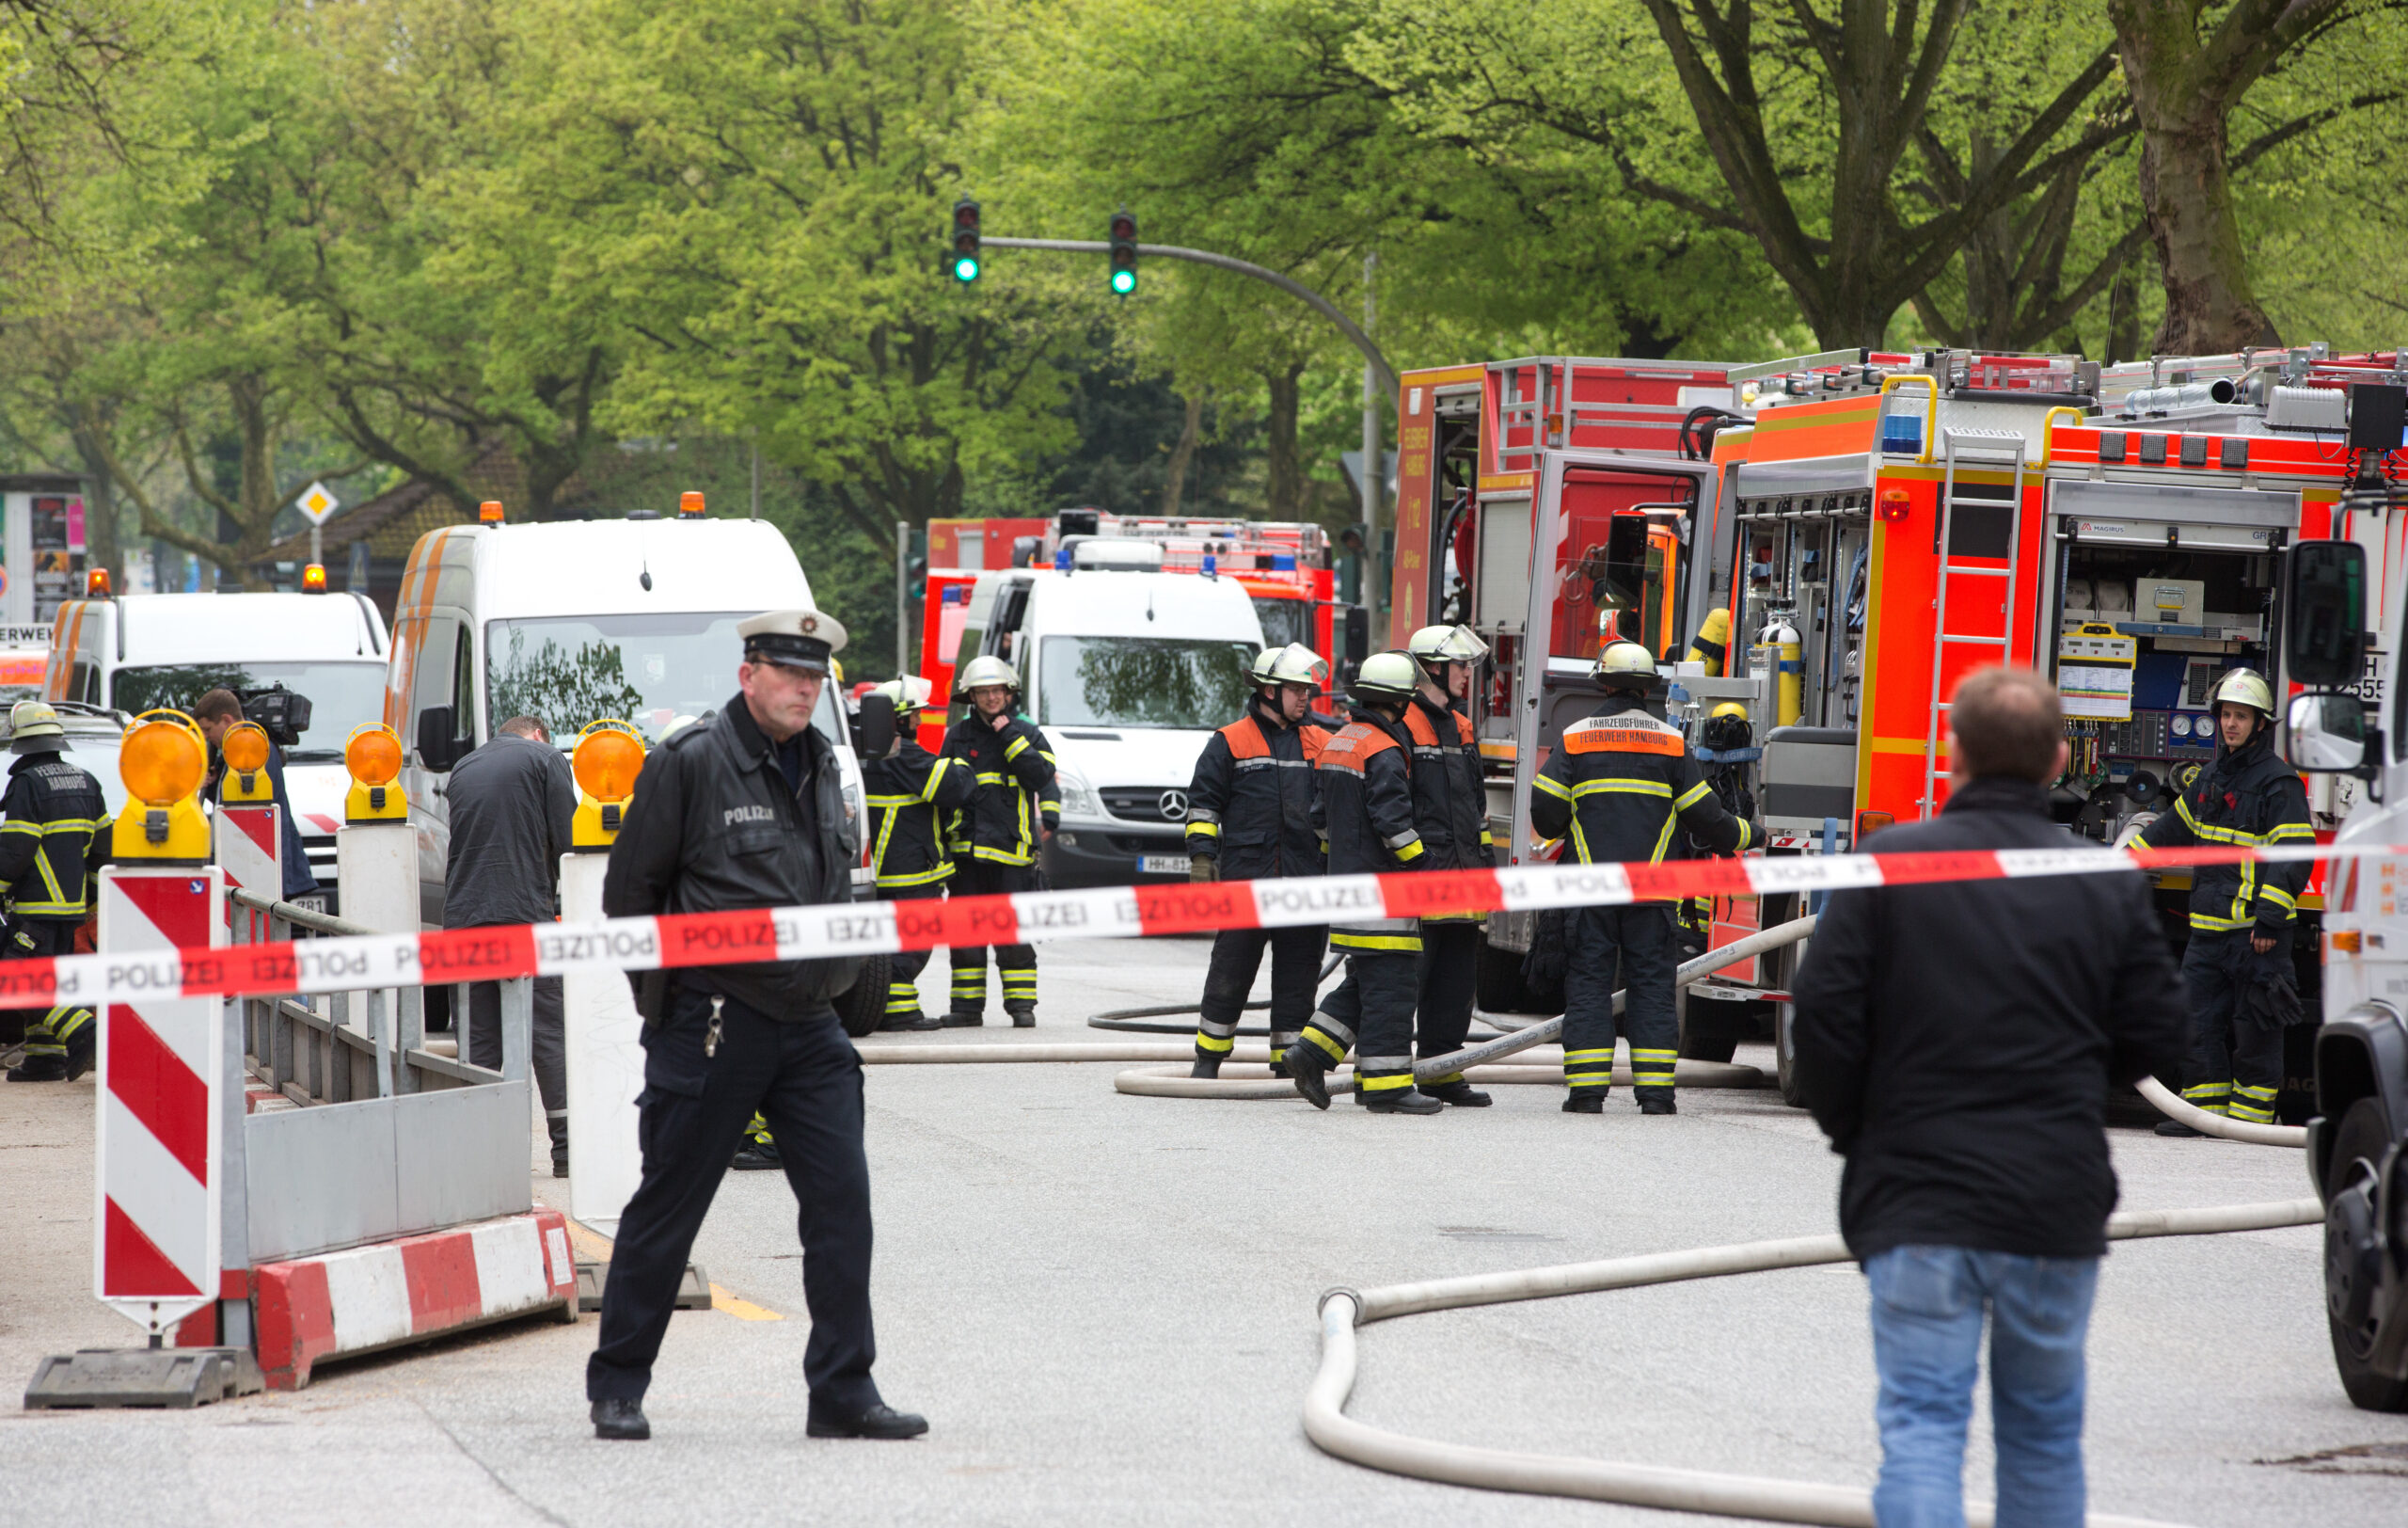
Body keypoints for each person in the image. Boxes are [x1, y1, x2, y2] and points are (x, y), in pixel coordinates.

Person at [1791, 665, 2185, 1527]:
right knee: (2044, 1434)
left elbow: (1822, 1021)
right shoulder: (2105, 880)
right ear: (2054, 761)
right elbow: (2160, 1033)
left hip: (1916, 1196)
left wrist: (1860, 1132)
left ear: (1953, 752)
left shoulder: (1887, 865)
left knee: (1924, 1426)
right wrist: (2076, 1086)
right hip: (2052, 1200)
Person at [589, 606, 924, 1442]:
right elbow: (630, 898)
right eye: (790, 673)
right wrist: (670, 1008)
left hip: (810, 1026)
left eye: (816, 677)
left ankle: (843, 1391)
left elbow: (844, 889)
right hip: (714, 1022)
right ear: (749, 676)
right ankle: (618, 1385)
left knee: (844, 1211)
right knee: (670, 1208)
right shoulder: (693, 763)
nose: (806, 688)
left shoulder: (825, 764)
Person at [1529, 641, 1752, 1116]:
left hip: (1591, 890)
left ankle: (1587, 1094)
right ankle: (1655, 1095)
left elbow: (1546, 816)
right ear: (1649, 688)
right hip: (1652, 894)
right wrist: (1751, 833)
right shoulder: (1670, 743)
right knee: (1652, 985)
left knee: (1589, 982)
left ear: (1604, 683)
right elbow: (1706, 819)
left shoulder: (1576, 737)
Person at [2135, 667, 2314, 1133]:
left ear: (2261, 723)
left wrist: (2271, 923)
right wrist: (2119, 863)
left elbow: (2294, 858)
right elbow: (2169, 830)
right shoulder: (2211, 777)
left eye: (2241, 716)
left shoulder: (2280, 783)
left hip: (2255, 937)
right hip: (2208, 933)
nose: (2231, 724)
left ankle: (2251, 1125)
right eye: (2226, 715)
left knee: (2255, 1030)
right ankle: (2204, 1118)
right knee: (2195, 1024)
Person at [1285, 651, 1443, 1116]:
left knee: (1367, 981)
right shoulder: (1384, 750)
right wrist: (1427, 870)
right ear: (1397, 703)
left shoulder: (1340, 741)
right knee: (1393, 987)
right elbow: (1395, 828)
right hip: (1383, 894)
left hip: (1347, 890)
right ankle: (1386, 1086)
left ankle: (1309, 1054)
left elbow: (1319, 821)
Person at [1183, 644, 1331, 1079]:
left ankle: (1289, 1064)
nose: (1305, 697)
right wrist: (1201, 860)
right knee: (1231, 971)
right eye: (1296, 689)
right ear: (1268, 691)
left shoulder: (1321, 741)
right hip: (1247, 881)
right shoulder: (1230, 741)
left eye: (1308, 689)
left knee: (1299, 978)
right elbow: (1203, 807)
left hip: (1306, 881)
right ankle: (1208, 1060)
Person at [443, 714, 576, 1176]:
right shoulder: (546, 757)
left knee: (479, 1039)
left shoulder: (464, 766)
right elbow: (570, 841)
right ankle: (566, 1152)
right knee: (547, 1031)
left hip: (463, 918)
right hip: (522, 913)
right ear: (538, 734)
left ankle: (484, 1155)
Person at [1399, 624, 1497, 1106]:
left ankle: (1442, 1070)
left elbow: (1475, 806)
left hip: (1462, 880)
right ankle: (1387, 1072)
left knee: (1456, 983)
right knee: (1406, 980)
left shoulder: (1461, 726)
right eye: (1459, 665)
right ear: (1430, 667)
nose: (1466, 674)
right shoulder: (1403, 725)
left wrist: (1486, 865)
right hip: (1422, 879)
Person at [940, 655, 1058, 1027]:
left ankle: (1022, 1008)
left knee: (1013, 935)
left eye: (997, 691)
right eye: (983, 692)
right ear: (971, 696)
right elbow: (942, 789)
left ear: (1008, 694)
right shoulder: (957, 736)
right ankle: (966, 1009)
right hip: (966, 854)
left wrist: (1008, 734)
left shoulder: (1028, 733)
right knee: (966, 934)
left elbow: (1041, 777)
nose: (991, 698)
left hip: (1013, 855)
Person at [1, 701, 106, 1082]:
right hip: (71, 910)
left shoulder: (27, 784)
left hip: (35, 907)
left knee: (18, 975)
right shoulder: (86, 780)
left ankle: (83, 1029)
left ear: (20, 743)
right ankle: (45, 1058)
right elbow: (103, 852)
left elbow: (16, 849)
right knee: (48, 976)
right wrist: (92, 901)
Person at [861, 676, 973, 1032]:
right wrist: (965, 766)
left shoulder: (864, 751)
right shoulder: (901, 753)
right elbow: (952, 785)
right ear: (897, 719)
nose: (920, 722)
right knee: (912, 943)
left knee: (888, 943)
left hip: (882, 868)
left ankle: (882, 1008)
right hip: (909, 871)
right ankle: (900, 1012)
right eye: (914, 716)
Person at [193, 689, 317, 905]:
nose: (206, 736)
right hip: (252, 865)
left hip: (257, 867)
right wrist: (214, 782)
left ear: (226, 719)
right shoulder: (237, 750)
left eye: (207, 729)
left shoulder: (250, 750)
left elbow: (246, 809)